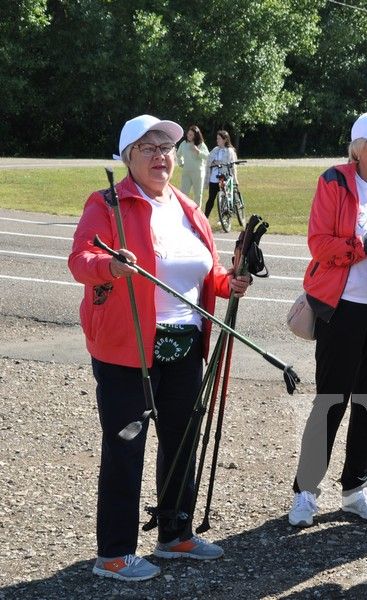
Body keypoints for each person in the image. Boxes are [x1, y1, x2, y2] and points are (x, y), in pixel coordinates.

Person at [69, 114, 250, 582]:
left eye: (165, 148)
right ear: (127, 157)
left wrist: (232, 283)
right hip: (125, 346)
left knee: (182, 439)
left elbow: (205, 274)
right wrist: (110, 265)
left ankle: (175, 533)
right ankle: (113, 553)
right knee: (125, 446)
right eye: (147, 148)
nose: (160, 156)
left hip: (185, 343)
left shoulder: (189, 207)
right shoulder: (107, 203)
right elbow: (81, 259)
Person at [287, 111, 367, 528]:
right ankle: (305, 490)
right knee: (331, 399)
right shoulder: (334, 181)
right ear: (357, 146)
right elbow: (321, 246)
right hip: (341, 308)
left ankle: (356, 488)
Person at [204, 130, 239, 218]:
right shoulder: (215, 150)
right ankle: (205, 217)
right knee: (211, 199)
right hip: (214, 177)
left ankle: (224, 218)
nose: (217, 140)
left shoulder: (230, 151)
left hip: (224, 177)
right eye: (217, 138)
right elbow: (208, 161)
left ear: (225, 140)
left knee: (225, 198)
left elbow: (232, 164)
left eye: (219, 139)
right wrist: (215, 162)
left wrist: (235, 178)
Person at [176, 125, 209, 206]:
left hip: (198, 173)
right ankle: (183, 212)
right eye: (188, 134)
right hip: (186, 172)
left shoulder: (201, 144)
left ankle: (197, 215)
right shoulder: (184, 143)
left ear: (196, 135)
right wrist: (181, 163)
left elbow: (208, 156)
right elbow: (178, 155)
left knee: (198, 195)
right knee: (183, 194)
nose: (189, 136)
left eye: (191, 135)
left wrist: (198, 151)